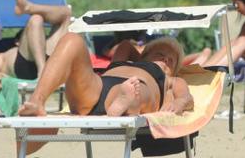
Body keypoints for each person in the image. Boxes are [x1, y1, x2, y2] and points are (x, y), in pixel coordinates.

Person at [18, 34, 194, 117]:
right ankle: (37, 101)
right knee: (72, 39)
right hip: (97, 88)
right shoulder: (124, 60)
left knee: (137, 89)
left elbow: (187, 98)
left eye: (171, 60)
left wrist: (178, 103)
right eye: (160, 54)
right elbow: (126, 45)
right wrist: (143, 55)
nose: (165, 60)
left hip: (137, 88)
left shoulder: (172, 80)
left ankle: (128, 104)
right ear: (143, 55)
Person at [0, 0, 73, 89]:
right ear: (18, 42)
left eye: (40, 36)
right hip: (25, 66)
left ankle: (29, 7)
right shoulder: (4, 56)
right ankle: (42, 72)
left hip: (49, 62)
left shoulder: (43, 45)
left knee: (67, 13)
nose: (37, 37)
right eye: (30, 36)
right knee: (36, 19)